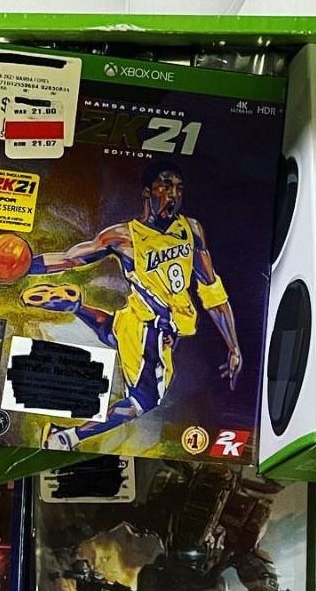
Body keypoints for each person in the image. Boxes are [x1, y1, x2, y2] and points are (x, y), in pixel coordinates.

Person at [17, 163, 240, 450]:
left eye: (178, 188)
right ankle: (65, 437)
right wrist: (24, 266)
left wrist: (234, 346)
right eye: (166, 186)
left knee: (114, 334)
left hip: (135, 319)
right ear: (147, 192)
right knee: (143, 402)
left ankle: (76, 306)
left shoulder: (191, 229)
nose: (173, 194)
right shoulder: (124, 237)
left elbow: (212, 290)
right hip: (151, 329)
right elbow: (72, 257)